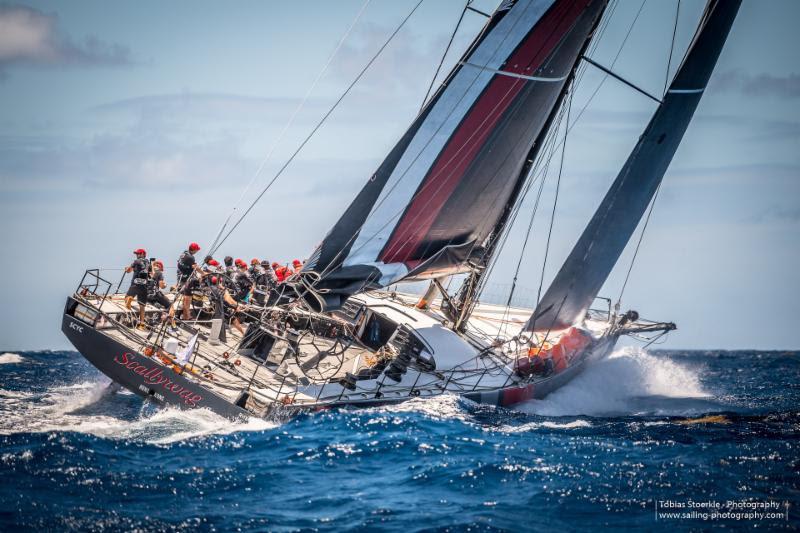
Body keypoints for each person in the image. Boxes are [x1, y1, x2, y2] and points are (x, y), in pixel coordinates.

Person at [207, 275, 245, 342]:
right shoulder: (222, 291)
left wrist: (237, 305)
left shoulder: (211, 288)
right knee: (234, 319)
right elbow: (227, 301)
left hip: (214, 306)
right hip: (221, 308)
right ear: (219, 283)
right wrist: (235, 307)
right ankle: (244, 334)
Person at [124, 248, 150, 330]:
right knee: (142, 306)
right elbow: (150, 274)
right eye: (137, 254)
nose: (137, 255)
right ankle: (142, 325)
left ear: (143, 254)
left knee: (126, 298)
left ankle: (129, 299)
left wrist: (126, 269)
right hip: (144, 286)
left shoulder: (136, 261)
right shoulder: (148, 262)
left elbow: (128, 270)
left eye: (138, 254)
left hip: (135, 284)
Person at [177, 242, 202, 320]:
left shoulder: (184, 253)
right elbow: (195, 267)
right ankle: (186, 317)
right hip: (187, 280)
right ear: (194, 249)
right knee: (187, 299)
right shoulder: (190, 257)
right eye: (197, 250)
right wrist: (203, 273)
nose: (197, 251)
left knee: (185, 298)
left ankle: (184, 315)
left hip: (181, 278)